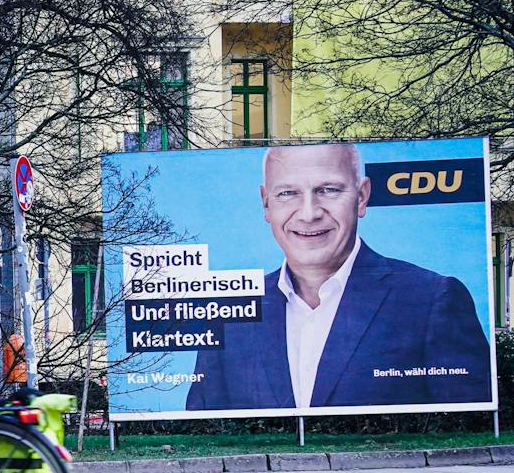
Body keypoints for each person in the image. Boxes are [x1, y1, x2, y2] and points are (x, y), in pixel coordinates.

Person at [186, 143, 491, 411]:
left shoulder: (432, 298)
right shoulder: (230, 312)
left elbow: (468, 422)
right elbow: (202, 430)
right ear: (266, 203)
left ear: (361, 197)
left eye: (328, 190)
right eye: (288, 193)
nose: (308, 213)